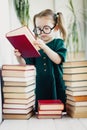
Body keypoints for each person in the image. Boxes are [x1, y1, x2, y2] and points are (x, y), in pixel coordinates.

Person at [14, 9, 67, 112]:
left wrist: (44, 47)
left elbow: (58, 59)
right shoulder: (35, 46)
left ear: (55, 28)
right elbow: (27, 64)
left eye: (46, 28)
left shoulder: (58, 42)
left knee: (58, 110)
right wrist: (19, 57)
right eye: (38, 29)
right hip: (40, 84)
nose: (41, 32)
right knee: (41, 110)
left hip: (56, 84)